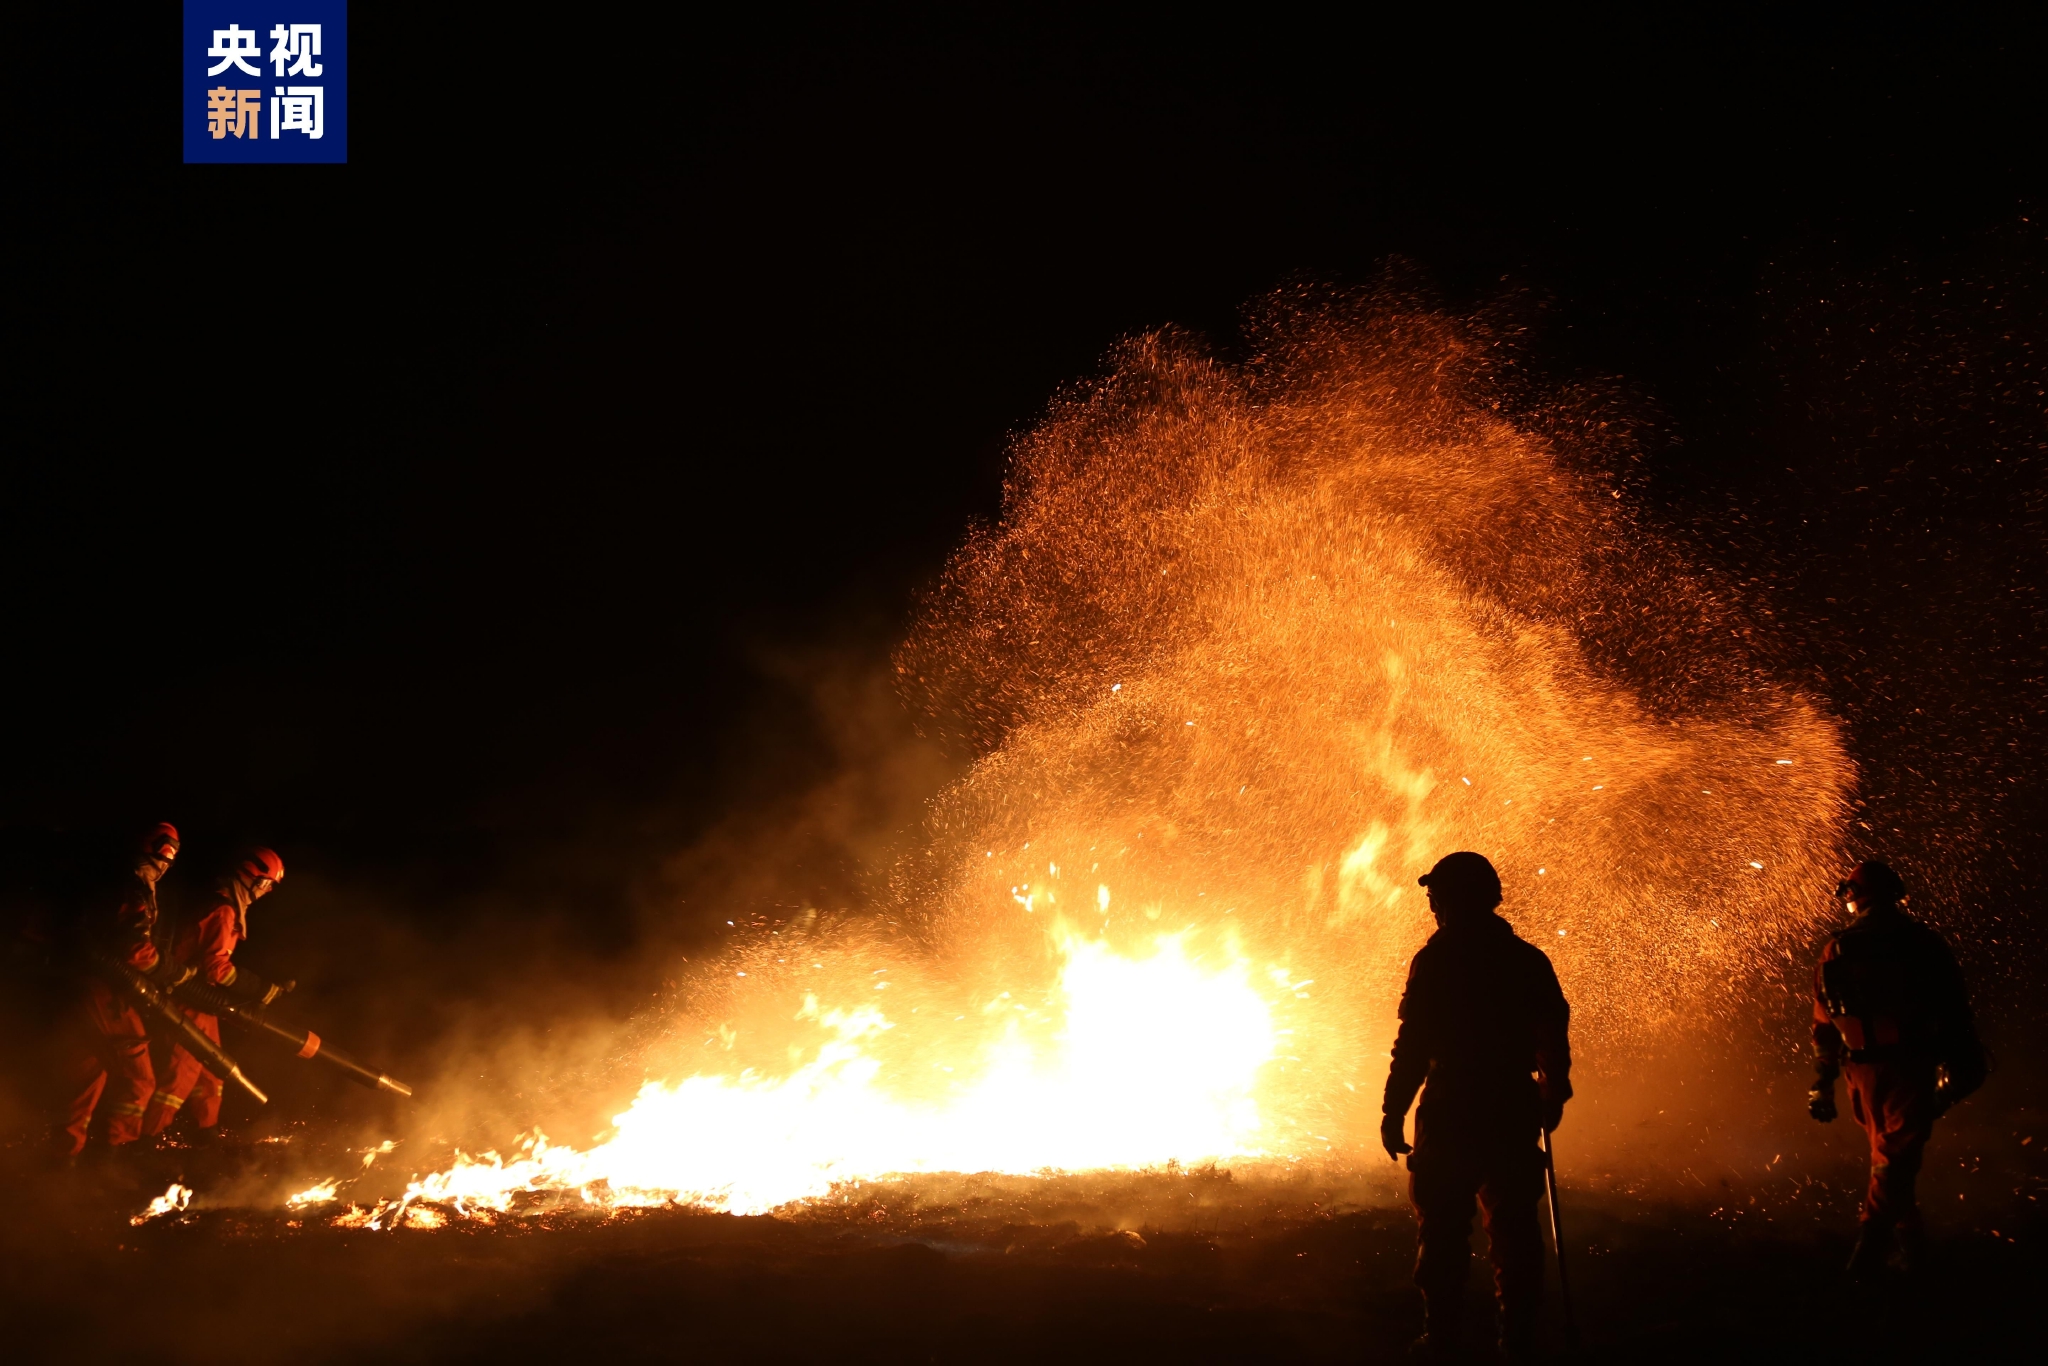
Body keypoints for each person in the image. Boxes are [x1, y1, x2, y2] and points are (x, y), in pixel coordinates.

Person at [1381, 851, 1572, 1362]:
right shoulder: (1527, 960)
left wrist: (1394, 1107)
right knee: (1515, 1232)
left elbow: (1414, 1040)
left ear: (1449, 899)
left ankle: (1442, 1340)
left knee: (1442, 1229)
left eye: (1435, 895)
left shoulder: (1437, 960)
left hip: (1450, 1109)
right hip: (1511, 1107)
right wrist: (1554, 1091)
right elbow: (1553, 1030)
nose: (1431, 906)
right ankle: (1517, 1342)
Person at [1808, 859, 1984, 1278]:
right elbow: (1954, 1007)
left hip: (1862, 1071)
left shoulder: (1838, 947)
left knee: (1889, 1157)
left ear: (1853, 896)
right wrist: (1962, 1059)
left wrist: (1822, 1081)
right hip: (1910, 1065)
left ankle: (1888, 1252)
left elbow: (1823, 1022)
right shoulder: (1924, 943)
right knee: (1893, 1158)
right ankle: (1887, 1254)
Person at [141, 847, 286, 1140]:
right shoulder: (223, 910)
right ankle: (145, 1141)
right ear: (255, 879)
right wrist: (259, 988)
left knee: (212, 1072)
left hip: (201, 1003)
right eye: (268, 884)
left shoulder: (226, 905)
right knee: (180, 1075)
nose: (267, 892)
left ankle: (206, 1133)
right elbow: (216, 969)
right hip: (187, 1001)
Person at [57, 822, 181, 1158]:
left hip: (83, 987)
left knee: (87, 1078)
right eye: (163, 857)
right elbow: (134, 950)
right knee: (138, 1080)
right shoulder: (132, 887)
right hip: (105, 992)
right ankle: (118, 1161)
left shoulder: (112, 879)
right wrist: (173, 970)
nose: (165, 865)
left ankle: (62, 1162)